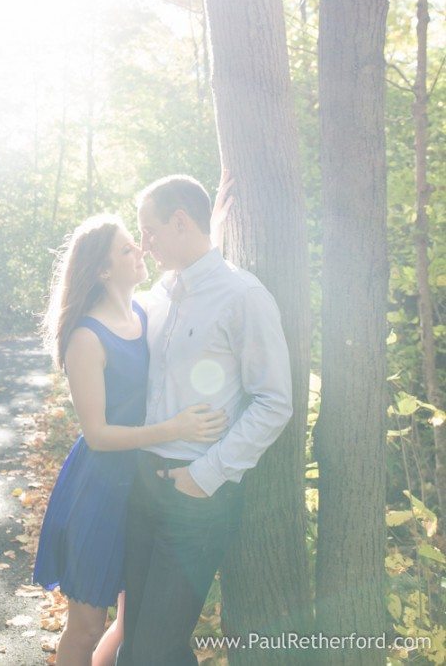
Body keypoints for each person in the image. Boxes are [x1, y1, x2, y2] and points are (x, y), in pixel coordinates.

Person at [32, 213, 228, 666]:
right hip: (99, 492)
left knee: (131, 622)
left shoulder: (144, 310)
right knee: (85, 628)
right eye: (126, 249)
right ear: (102, 270)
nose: (140, 250)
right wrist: (175, 429)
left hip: (143, 487)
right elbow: (97, 435)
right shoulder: (86, 336)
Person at [116, 174, 293, 666]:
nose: (143, 244)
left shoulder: (243, 296)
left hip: (198, 498)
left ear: (180, 222)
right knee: (139, 645)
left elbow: (274, 401)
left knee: (153, 651)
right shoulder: (159, 292)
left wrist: (204, 476)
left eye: (148, 231)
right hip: (143, 485)